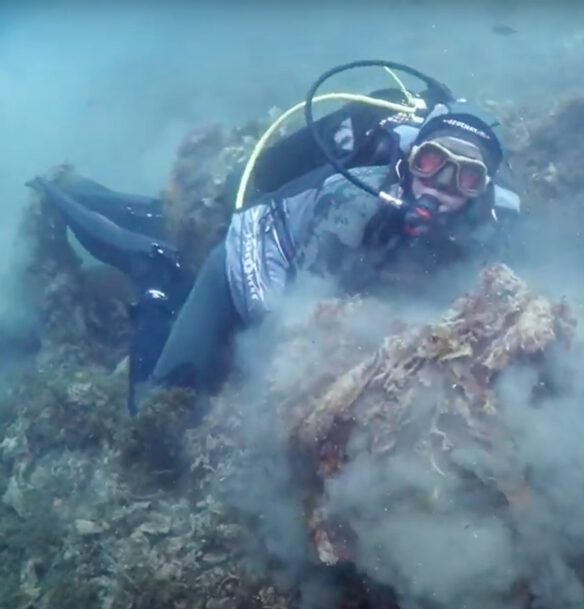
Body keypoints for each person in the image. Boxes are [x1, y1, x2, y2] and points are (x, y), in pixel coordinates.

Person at [27, 92, 521, 414]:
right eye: (431, 161)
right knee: (159, 413)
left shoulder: (485, 237)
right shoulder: (353, 201)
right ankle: (152, 270)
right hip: (252, 267)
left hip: (338, 284)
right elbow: (300, 324)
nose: (438, 184)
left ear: (481, 192)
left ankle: (91, 195)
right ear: (411, 160)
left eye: (465, 175)